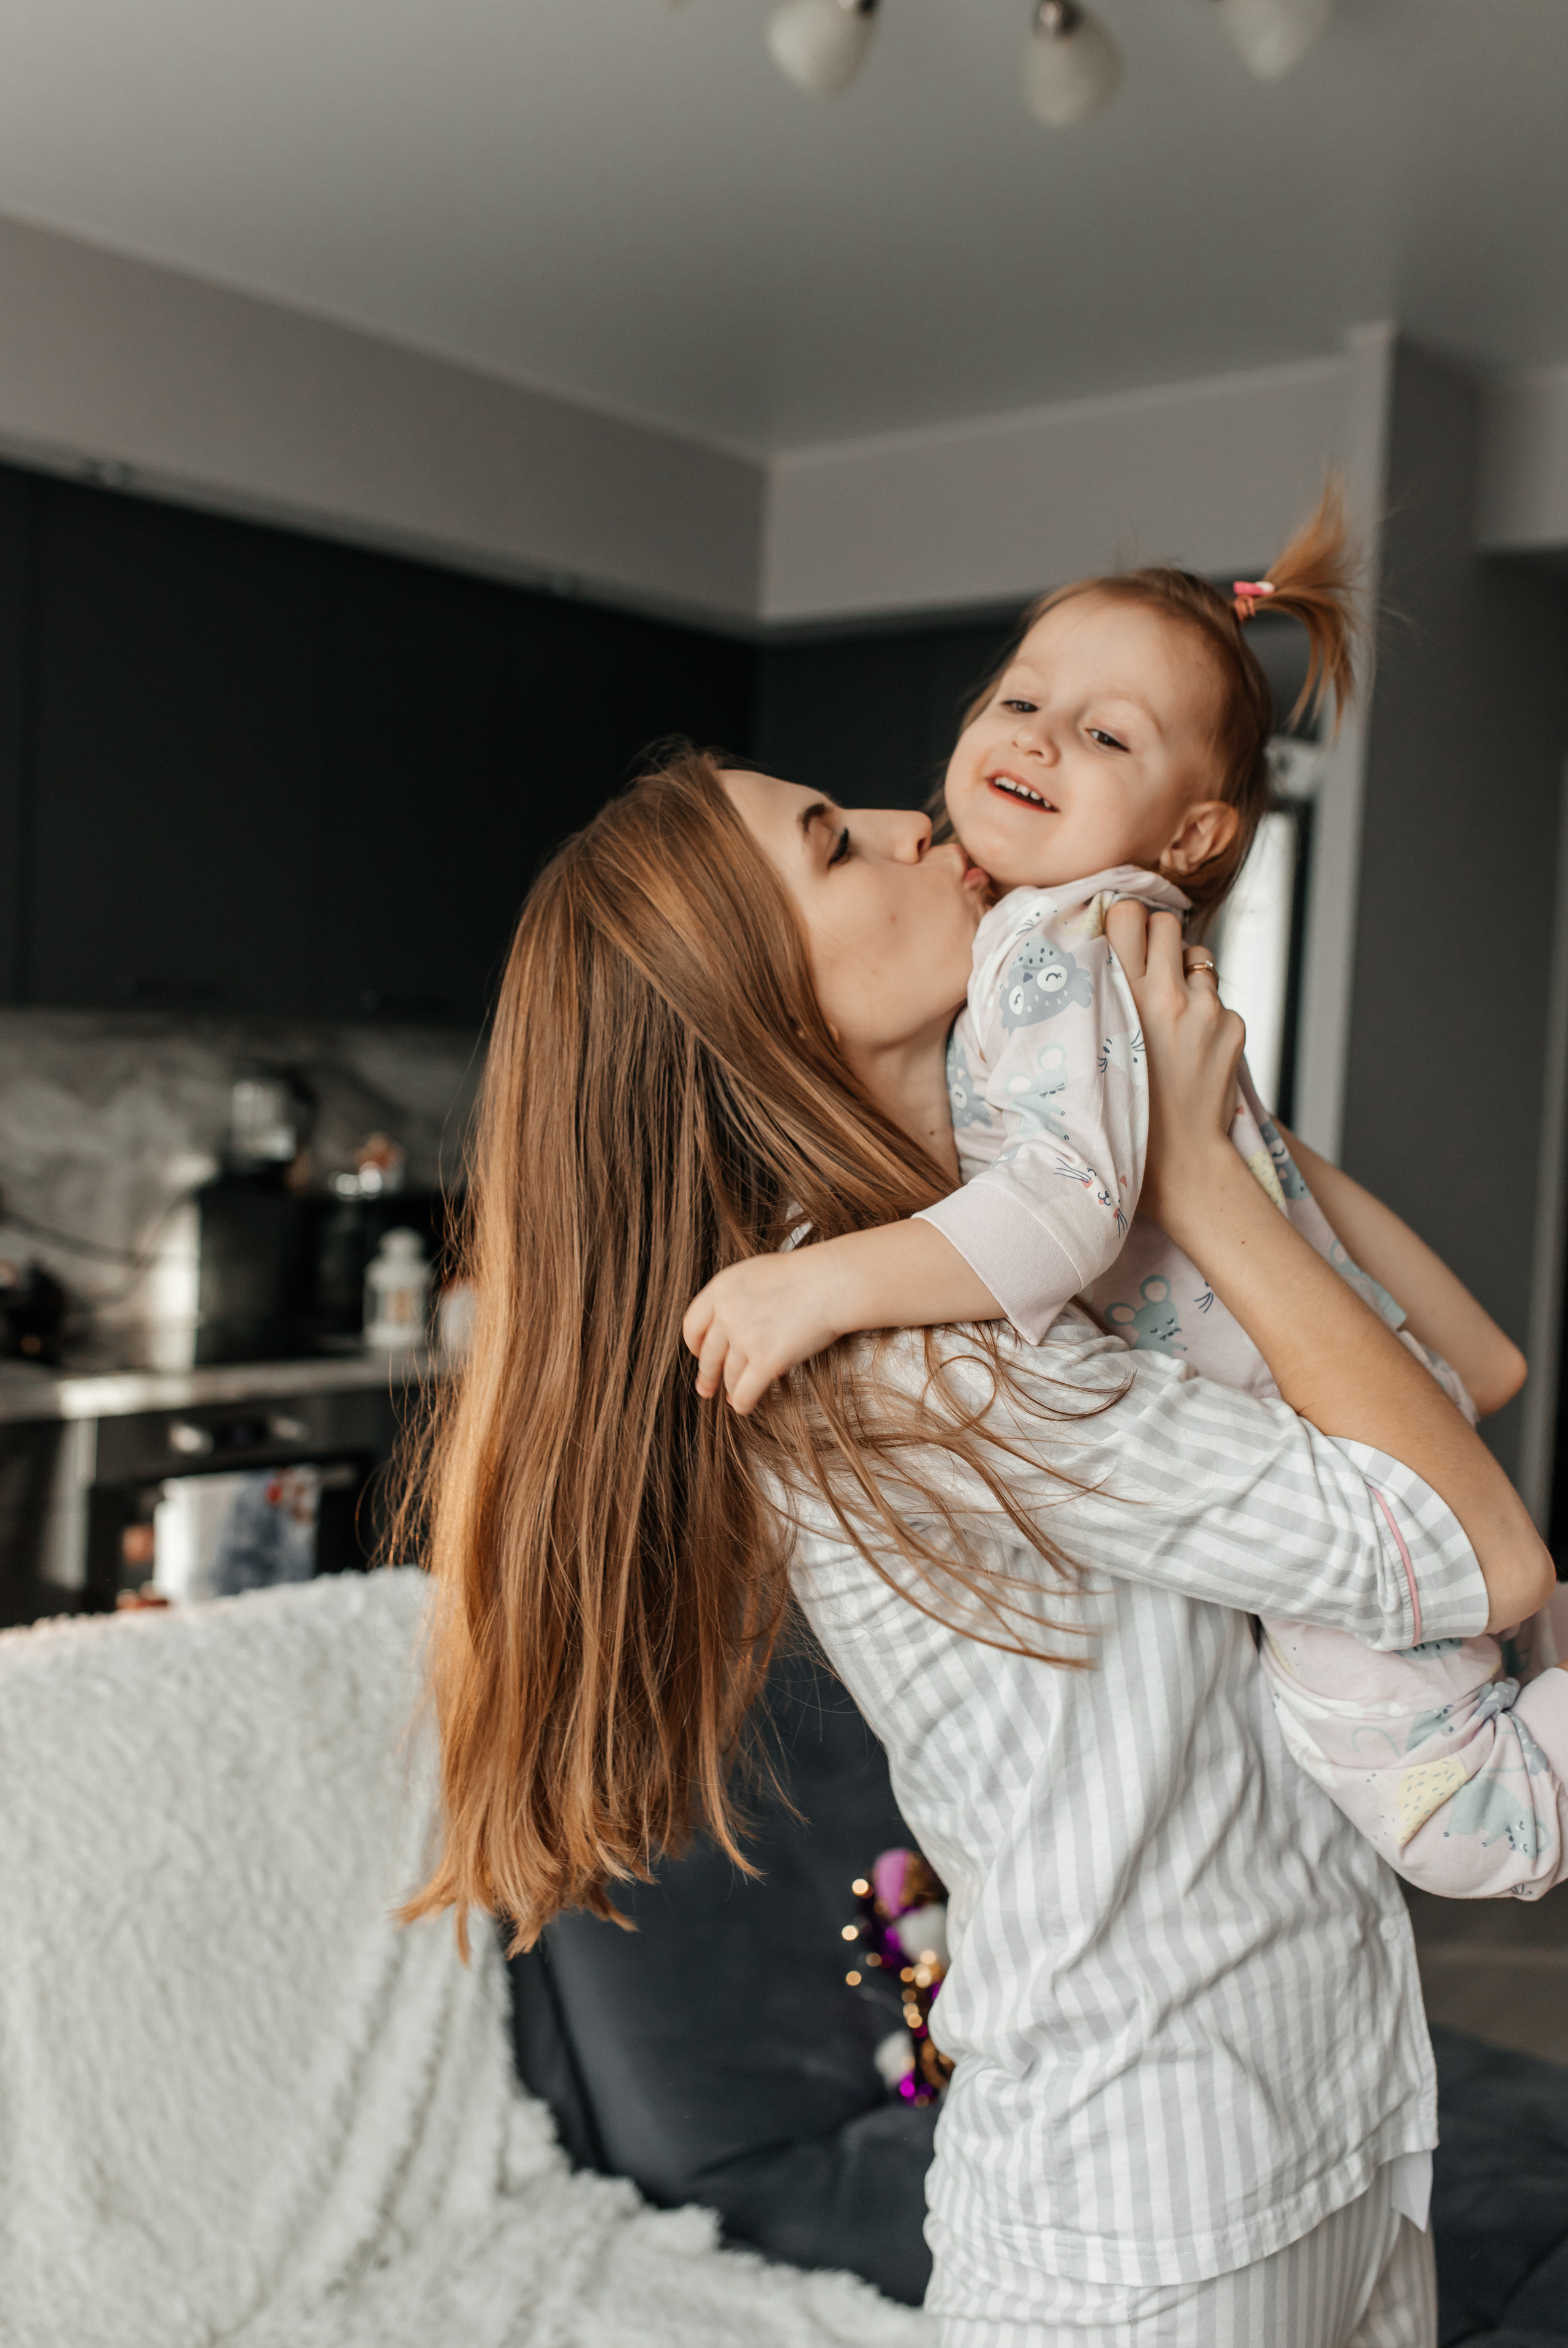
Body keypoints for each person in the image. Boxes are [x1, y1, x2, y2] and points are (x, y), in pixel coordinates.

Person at [402, 747, 1553, 2345]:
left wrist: (1196, 1124)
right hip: (1158, 2220)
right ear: (761, 1011)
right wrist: (1210, 1186)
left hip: (1339, 2125)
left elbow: (1475, 1365)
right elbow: (1475, 1550)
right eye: (832, 846)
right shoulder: (903, 1358)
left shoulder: (1017, 1237)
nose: (905, 821)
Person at [682, 491, 1567, 1896]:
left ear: (1194, 835)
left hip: (1361, 1480)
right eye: (1021, 698)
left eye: (1103, 734)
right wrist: (1216, 1139)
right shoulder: (1088, 971)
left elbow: (1063, 1216)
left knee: (1474, 1836)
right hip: (1373, 1453)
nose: (1032, 738)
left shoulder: (1044, 961)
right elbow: (1479, 1363)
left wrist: (840, 1273)